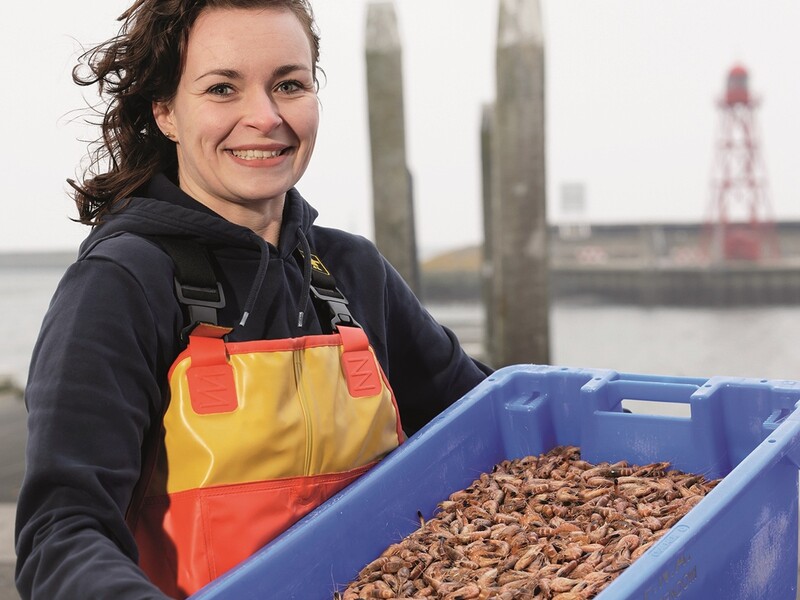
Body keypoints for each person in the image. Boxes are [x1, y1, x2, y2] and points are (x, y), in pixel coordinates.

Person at [14, 1, 491, 598]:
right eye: (222, 88)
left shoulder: (351, 270)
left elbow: (489, 425)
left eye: (289, 85)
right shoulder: (121, 284)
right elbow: (61, 534)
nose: (264, 117)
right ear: (165, 110)